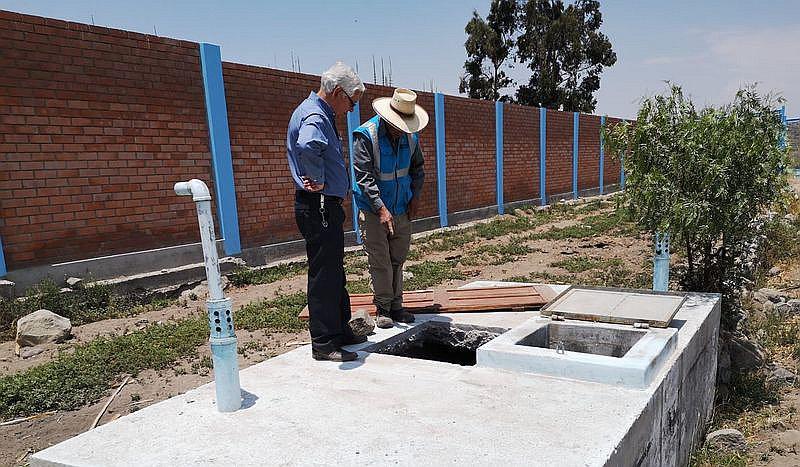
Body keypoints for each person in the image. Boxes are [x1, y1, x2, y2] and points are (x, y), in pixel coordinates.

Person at [286, 62, 366, 362]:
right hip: (318, 206)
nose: (350, 110)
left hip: (323, 207)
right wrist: (316, 177)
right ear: (336, 92)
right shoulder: (316, 116)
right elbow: (308, 144)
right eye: (351, 103)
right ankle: (323, 343)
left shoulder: (316, 111)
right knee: (323, 275)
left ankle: (341, 331)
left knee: (334, 272)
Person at [352, 88, 428, 328]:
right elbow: (363, 177)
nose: (400, 130)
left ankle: (397, 305)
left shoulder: (410, 137)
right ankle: (383, 307)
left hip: (401, 208)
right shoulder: (366, 136)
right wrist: (381, 208)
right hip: (374, 211)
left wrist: (414, 197)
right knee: (381, 261)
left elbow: (418, 169)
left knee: (398, 259)